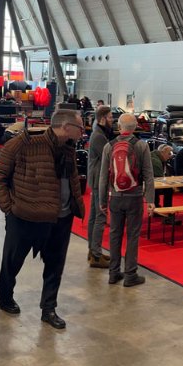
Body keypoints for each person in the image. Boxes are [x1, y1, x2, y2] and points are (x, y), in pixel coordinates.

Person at [0, 110, 86, 330]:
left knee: (55, 266)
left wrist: (74, 205)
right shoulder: (24, 143)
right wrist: (9, 208)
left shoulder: (69, 149)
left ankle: (48, 309)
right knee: (12, 261)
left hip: (61, 218)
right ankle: (5, 297)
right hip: (25, 216)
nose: (82, 132)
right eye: (80, 128)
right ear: (66, 126)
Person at [104, 114, 151, 287]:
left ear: (119, 126)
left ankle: (113, 273)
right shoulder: (141, 145)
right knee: (132, 236)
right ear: (136, 127)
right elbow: (148, 175)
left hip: (115, 197)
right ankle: (130, 274)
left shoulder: (109, 146)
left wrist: (102, 200)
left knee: (114, 234)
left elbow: (103, 176)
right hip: (135, 197)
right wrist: (150, 200)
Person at [84, 106, 117, 269]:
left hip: (96, 179)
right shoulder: (99, 136)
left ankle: (93, 251)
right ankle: (96, 255)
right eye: (110, 117)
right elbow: (110, 155)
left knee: (94, 216)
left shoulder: (99, 133)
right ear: (103, 118)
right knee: (100, 216)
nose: (112, 120)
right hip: (99, 180)